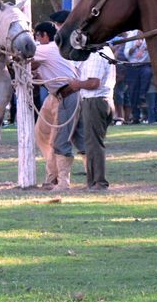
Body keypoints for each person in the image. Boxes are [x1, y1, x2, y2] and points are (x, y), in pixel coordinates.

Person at [31, 21, 82, 191]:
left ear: (44, 35)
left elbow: (24, 55)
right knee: (56, 137)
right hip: (64, 95)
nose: (36, 40)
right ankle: (53, 178)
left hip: (67, 95)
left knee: (61, 139)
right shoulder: (56, 49)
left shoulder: (44, 49)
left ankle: (63, 182)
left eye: (37, 36)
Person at [68, 45, 116, 190]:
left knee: (94, 143)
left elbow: (94, 83)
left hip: (95, 101)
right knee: (92, 142)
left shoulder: (96, 55)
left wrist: (77, 84)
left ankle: (98, 182)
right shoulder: (104, 51)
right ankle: (92, 181)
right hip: (101, 100)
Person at [123, 31, 152, 123]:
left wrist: (146, 48)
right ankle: (135, 117)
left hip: (145, 64)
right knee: (132, 92)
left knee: (147, 73)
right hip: (132, 66)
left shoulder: (149, 32)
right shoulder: (131, 36)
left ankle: (142, 96)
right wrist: (135, 46)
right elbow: (126, 54)